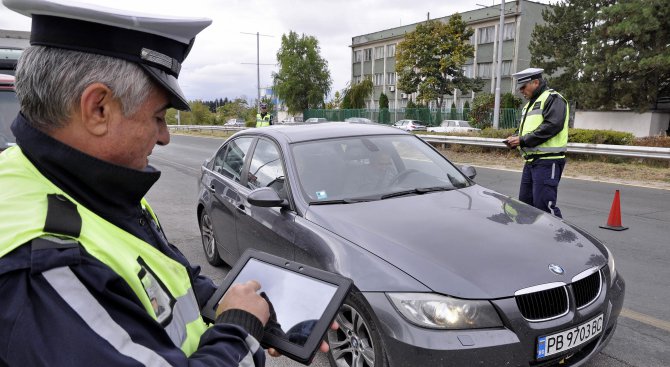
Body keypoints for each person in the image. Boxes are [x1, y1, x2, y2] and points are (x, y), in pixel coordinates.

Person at [0, 1, 310, 366]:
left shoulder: (65, 180)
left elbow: (165, 278)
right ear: (98, 108)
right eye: (158, 117)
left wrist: (249, 306)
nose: (164, 137)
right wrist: (240, 327)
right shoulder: (44, 269)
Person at [503, 68, 569, 218]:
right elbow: (525, 131)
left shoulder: (553, 98)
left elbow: (553, 125)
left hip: (548, 161)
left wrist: (522, 140)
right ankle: (530, 239)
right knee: (525, 205)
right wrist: (515, 138)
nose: (521, 91)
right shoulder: (529, 105)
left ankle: (558, 238)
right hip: (531, 161)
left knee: (544, 206)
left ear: (536, 82)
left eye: (523, 87)